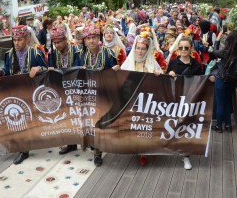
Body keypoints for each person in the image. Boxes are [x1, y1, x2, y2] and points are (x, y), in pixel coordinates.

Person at [0, 25, 48, 164]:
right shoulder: (9, 54)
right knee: (19, 119)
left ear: (27, 39)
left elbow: (48, 68)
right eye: (14, 40)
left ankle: (30, 144)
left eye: (20, 39)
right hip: (15, 92)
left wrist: (39, 68)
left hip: (32, 91)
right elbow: (7, 70)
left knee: (31, 119)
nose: (16, 43)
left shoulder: (35, 53)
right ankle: (24, 150)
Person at [75, 24, 119, 167]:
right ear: (84, 40)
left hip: (103, 95)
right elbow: (74, 73)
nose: (91, 41)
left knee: (99, 122)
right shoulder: (80, 55)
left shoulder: (108, 54)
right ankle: (93, 144)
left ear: (99, 38)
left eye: (93, 37)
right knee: (89, 122)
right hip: (86, 95)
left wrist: (110, 70)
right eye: (88, 38)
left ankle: (98, 153)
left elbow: (116, 74)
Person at [121, 31, 163, 166]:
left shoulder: (152, 63)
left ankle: (143, 152)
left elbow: (162, 80)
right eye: (138, 48)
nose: (140, 51)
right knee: (133, 126)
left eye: (143, 48)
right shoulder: (128, 62)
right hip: (131, 100)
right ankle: (135, 148)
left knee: (144, 127)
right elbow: (120, 81)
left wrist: (158, 76)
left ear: (147, 49)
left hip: (147, 101)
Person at [167, 36, 203, 170]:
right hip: (174, 99)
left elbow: (200, 82)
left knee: (187, 127)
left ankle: (186, 156)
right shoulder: (172, 63)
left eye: (186, 48)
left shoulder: (196, 65)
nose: (183, 50)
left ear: (191, 49)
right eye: (180, 47)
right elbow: (165, 82)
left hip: (189, 99)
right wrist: (169, 76)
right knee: (173, 125)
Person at [48, 26, 81, 155]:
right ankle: (71, 143)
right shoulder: (52, 53)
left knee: (80, 115)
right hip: (61, 89)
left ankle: (87, 141)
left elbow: (79, 69)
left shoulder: (76, 51)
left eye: (59, 42)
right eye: (55, 43)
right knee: (66, 117)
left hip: (76, 88)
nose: (57, 45)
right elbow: (51, 68)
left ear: (66, 39)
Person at [211, 30, 237, 133]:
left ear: (229, 39)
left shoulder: (225, 52)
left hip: (221, 79)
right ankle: (228, 125)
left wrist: (218, 38)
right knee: (227, 102)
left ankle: (219, 126)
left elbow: (214, 52)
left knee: (221, 103)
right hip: (232, 80)